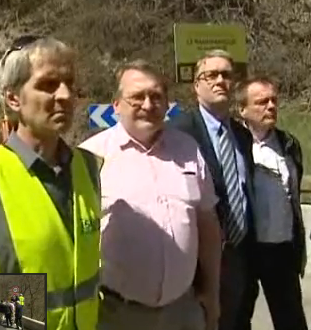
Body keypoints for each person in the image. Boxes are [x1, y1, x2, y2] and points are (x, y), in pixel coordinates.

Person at [0, 35, 102, 330]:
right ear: (13, 98)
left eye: (69, 83)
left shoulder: (89, 167)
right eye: (48, 84)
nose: (66, 95)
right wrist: (28, 310)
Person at [80, 59, 221, 330]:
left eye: (156, 96)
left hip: (183, 310)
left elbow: (208, 227)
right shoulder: (90, 157)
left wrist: (212, 294)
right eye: (137, 97)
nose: (148, 104)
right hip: (117, 314)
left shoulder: (188, 150)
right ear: (116, 105)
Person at [168, 49, 257, 330]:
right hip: (198, 261)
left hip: (240, 256)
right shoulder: (179, 132)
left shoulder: (243, 136)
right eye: (211, 75)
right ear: (196, 85)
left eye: (226, 75)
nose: (220, 80)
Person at [237, 77, 308, 330]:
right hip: (245, 249)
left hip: (282, 250)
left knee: (291, 321)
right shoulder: (234, 144)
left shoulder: (288, 144)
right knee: (236, 320)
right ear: (242, 109)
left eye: (273, 101)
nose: (270, 107)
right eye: (261, 102)